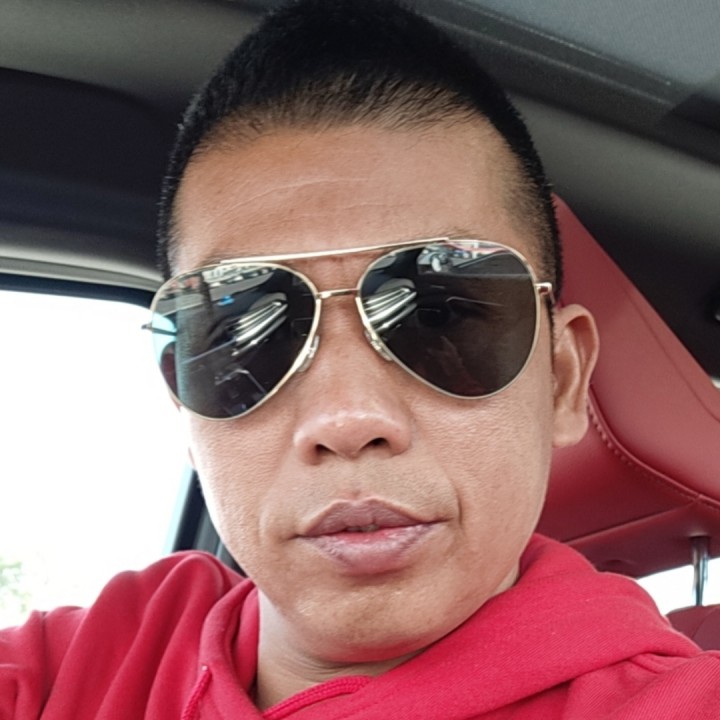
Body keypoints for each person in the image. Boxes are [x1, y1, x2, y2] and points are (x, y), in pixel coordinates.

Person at [2, 0, 720, 717]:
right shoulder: (79, 668)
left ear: (562, 380)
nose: (347, 420)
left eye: (440, 316)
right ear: (185, 402)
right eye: (246, 334)